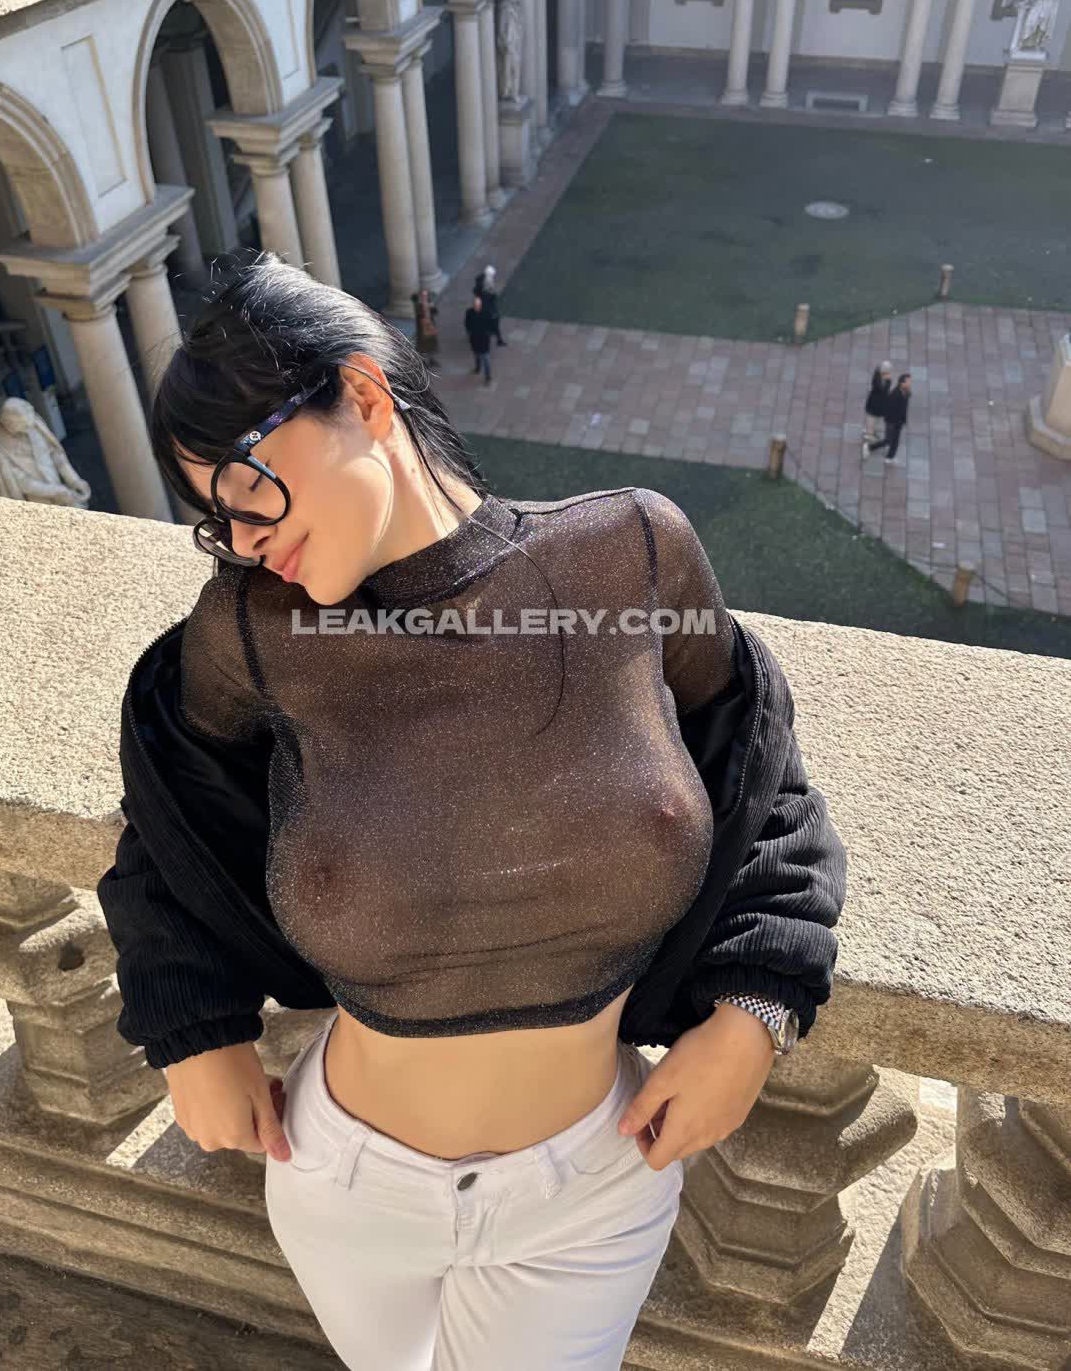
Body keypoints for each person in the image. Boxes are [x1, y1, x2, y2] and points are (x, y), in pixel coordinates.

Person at [98, 252, 847, 1371]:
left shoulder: (631, 555)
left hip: (594, 1189)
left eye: (247, 489)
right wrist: (188, 1027)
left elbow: (764, 779)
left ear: (362, 395)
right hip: (342, 1185)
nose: (246, 540)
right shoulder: (252, 632)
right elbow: (164, 824)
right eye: (218, 522)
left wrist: (759, 1007)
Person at [864, 371, 912, 464]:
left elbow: (905, 403)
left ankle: (887, 455)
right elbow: (888, 409)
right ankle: (875, 450)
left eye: (910, 381)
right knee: (890, 441)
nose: (910, 383)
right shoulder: (895, 395)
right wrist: (893, 422)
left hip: (898, 422)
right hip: (892, 422)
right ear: (902, 383)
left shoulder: (905, 392)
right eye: (908, 382)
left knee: (892, 441)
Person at [474, 264, 507, 347]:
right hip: (488, 312)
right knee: (492, 326)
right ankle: (497, 340)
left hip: (486, 309)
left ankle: (498, 339)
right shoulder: (485, 293)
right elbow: (489, 302)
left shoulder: (481, 281)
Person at [465, 293, 494, 384]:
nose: (476, 307)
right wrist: (470, 332)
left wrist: (488, 334)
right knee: (476, 355)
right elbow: (467, 323)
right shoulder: (469, 312)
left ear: (481, 305)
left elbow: (491, 324)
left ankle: (488, 377)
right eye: (475, 305)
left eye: (477, 305)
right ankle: (477, 368)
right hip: (474, 339)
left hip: (484, 340)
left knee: (486, 359)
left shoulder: (486, 312)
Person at [862, 361, 892, 444]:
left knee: (875, 420)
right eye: (888, 371)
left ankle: (871, 433)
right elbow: (883, 390)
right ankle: (869, 436)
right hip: (875, 404)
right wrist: (888, 381)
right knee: (872, 420)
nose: (889, 373)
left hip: (879, 404)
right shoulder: (878, 379)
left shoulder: (879, 375)